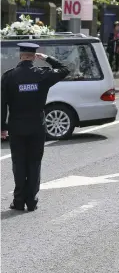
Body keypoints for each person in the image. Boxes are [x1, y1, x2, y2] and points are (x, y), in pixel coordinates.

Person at [1, 43, 70, 211]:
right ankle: (31, 201)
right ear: (34, 56)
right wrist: (47, 58)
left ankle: (18, 201)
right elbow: (64, 69)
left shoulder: (8, 76)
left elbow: (2, 105)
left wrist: (2, 127)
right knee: (34, 163)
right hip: (37, 127)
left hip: (17, 126)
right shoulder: (42, 75)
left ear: (20, 55)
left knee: (19, 164)